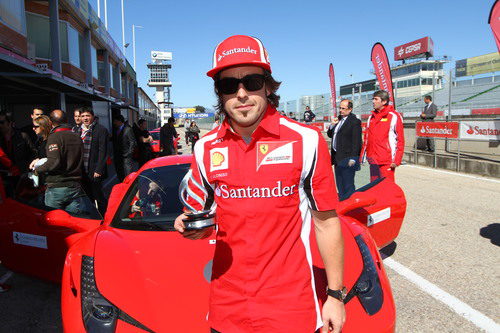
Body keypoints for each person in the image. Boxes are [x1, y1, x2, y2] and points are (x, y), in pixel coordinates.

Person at [174, 35, 345, 333]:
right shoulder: (204, 148)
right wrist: (188, 226)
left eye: (251, 82)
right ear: (219, 93)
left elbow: (327, 223)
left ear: (268, 85)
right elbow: (201, 219)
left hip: (291, 306)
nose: (241, 94)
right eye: (229, 85)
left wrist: (334, 295)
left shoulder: (307, 141)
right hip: (227, 307)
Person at [31, 110, 84, 214]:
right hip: (75, 187)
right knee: (73, 222)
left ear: (50, 122)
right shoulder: (77, 136)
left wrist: (37, 169)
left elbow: (53, 163)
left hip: (58, 186)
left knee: (54, 222)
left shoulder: (54, 137)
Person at [360, 90, 405, 182]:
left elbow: (400, 140)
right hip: (373, 160)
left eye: (376, 99)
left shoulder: (394, 116)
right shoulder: (371, 117)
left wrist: (397, 160)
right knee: (374, 188)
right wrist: (363, 156)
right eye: (373, 99)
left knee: (387, 188)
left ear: (384, 101)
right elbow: (367, 139)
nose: (373, 101)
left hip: (386, 160)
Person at [327, 99, 362, 198]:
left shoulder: (354, 122)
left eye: (343, 108)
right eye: (340, 108)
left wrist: (353, 158)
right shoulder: (338, 119)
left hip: (347, 158)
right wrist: (332, 125)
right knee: (339, 183)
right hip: (337, 157)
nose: (341, 110)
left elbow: (357, 142)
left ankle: (350, 206)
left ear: (350, 109)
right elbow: (330, 135)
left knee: (348, 184)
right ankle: (342, 201)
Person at [79, 107, 109, 215]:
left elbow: (103, 151)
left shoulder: (101, 130)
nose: (85, 118)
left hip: (94, 169)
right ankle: (92, 216)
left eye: (87, 116)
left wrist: (99, 169)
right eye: (83, 116)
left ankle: (104, 216)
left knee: (98, 196)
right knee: (87, 196)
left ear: (92, 116)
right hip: (82, 169)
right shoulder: (78, 130)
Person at [112, 114, 137, 182]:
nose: (114, 123)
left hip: (126, 156)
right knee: (120, 173)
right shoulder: (115, 130)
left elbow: (133, 142)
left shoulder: (128, 129)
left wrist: (129, 153)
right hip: (118, 156)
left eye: (115, 121)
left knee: (128, 173)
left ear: (119, 121)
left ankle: (129, 188)